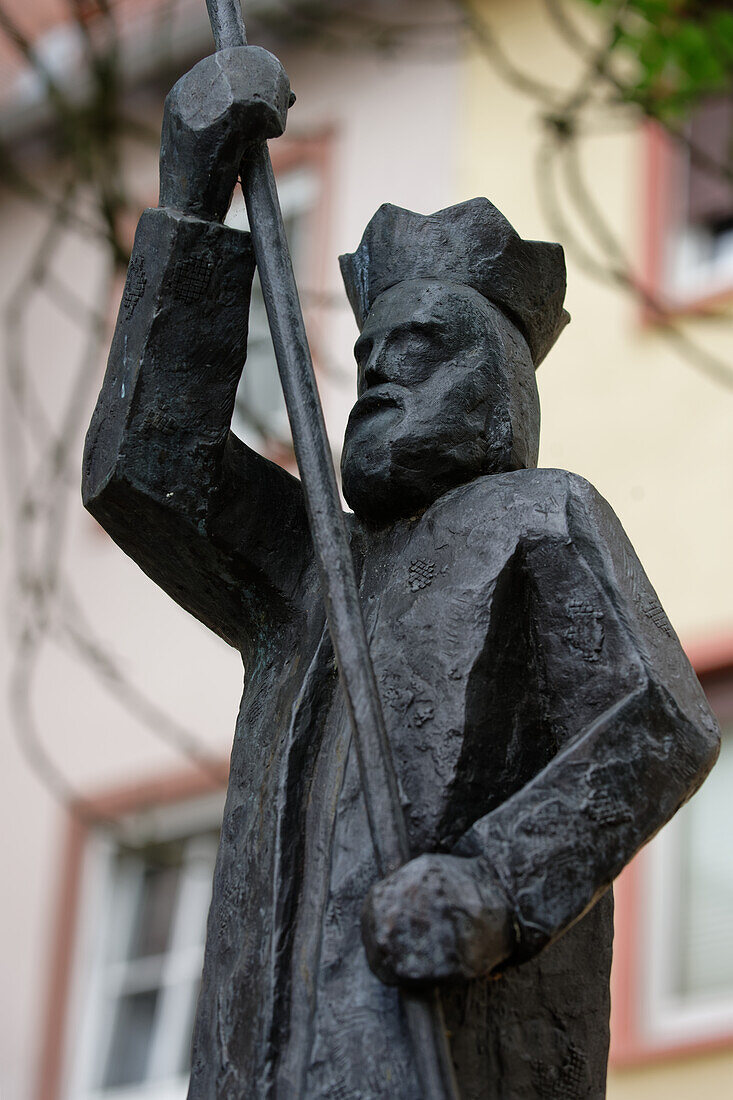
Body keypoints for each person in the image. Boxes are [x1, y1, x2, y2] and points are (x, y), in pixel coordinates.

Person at [83, 46, 720, 1100]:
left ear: (501, 382)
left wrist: (493, 883)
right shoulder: (308, 564)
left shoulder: (535, 513)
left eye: (422, 346)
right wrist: (192, 206)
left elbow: (657, 721)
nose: (380, 371)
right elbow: (148, 467)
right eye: (370, 355)